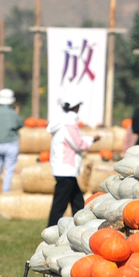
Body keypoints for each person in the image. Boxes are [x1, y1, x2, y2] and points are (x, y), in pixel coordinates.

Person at [47, 96, 100, 227]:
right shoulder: (69, 122)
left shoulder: (60, 120)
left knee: (77, 200)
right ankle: (51, 229)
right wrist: (92, 140)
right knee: (60, 204)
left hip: (61, 167)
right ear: (76, 107)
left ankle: (83, 224)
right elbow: (79, 144)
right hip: (66, 168)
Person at [0, 89, 23, 201]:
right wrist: (16, 114)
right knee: (8, 171)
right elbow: (20, 124)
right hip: (10, 144)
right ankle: (4, 194)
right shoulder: (12, 113)